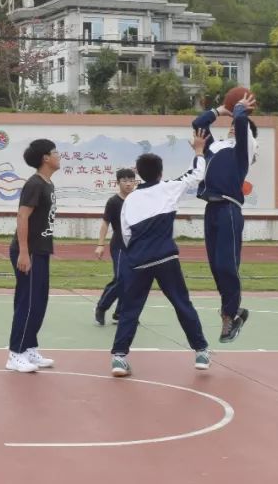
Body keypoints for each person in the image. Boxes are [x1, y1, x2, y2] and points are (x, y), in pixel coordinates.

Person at [110, 130, 210, 378]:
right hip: (165, 257)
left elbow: (124, 234)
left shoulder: (130, 200)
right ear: (161, 172)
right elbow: (197, 174)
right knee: (181, 303)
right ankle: (200, 351)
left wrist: (136, 255)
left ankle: (119, 358)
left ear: (137, 173)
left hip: (138, 261)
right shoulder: (169, 188)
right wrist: (198, 150)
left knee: (131, 309)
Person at [191, 93, 258, 343]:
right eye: (229, 126)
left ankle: (229, 315)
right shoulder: (216, 148)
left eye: (235, 126)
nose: (232, 128)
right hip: (211, 210)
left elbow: (242, 124)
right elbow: (198, 124)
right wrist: (220, 110)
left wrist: (240, 110)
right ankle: (233, 310)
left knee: (227, 265)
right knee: (216, 267)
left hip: (230, 209)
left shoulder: (245, 149)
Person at [5, 138, 59, 373]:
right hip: (28, 251)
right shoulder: (34, 184)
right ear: (45, 158)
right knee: (27, 303)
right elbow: (22, 217)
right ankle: (15, 354)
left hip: (41, 250)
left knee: (39, 303)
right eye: (56, 152)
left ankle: (28, 348)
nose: (59, 155)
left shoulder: (48, 184)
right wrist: (24, 252)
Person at [93, 168, 137, 326]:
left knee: (132, 280)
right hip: (119, 246)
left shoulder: (138, 199)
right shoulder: (113, 202)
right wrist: (100, 244)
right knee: (121, 278)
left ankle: (120, 313)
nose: (128, 184)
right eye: (124, 181)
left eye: (131, 180)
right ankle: (101, 307)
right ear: (118, 183)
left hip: (136, 246)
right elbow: (105, 223)